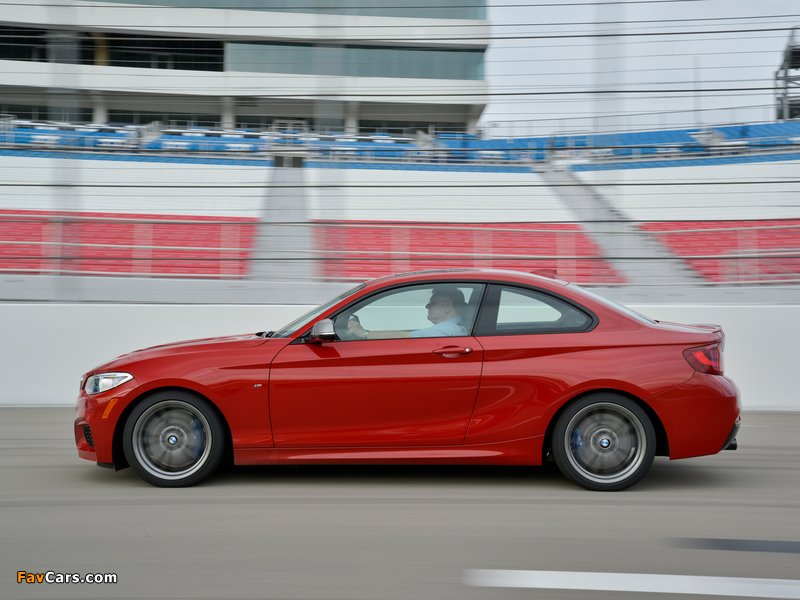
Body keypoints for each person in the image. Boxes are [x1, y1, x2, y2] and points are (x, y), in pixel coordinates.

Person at [347, 286, 468, 340]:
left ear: (447, 306)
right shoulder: (454, 328)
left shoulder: (447, 330)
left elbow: (405, 337)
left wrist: (364, 334)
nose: (427, 306)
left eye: (433, 302)